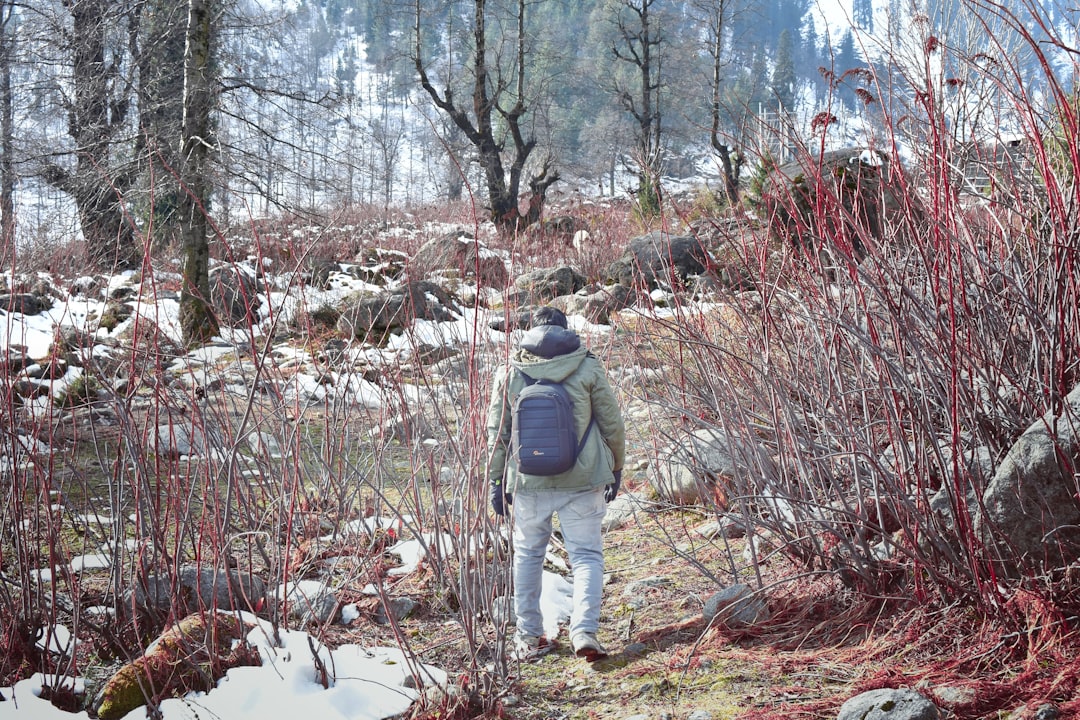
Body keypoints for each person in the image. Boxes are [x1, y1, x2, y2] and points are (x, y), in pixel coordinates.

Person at [485, 306, 626, 662]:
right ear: (566, 331)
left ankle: (529, 638)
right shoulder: (587, 366)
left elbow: (498, 434)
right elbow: (612, 424)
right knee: (586, 556)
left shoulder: (510, 371)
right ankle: (584, 631)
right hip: (583, 480)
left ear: (530, 332)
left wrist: (496, 481)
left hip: (529, 481)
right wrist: (617, 466)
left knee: (529, 555)